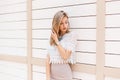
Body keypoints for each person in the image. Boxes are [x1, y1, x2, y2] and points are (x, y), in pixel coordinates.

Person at [46, 10, 77, 80]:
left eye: (66, 22)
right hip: (52, 76)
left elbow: (65, 56)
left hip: (65, 76)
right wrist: (47, 78)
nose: (64, 25)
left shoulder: (71, 36)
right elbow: (48, 58)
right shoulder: (53, 37)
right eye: (61, 23)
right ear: (57, 24)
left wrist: (57, 41)